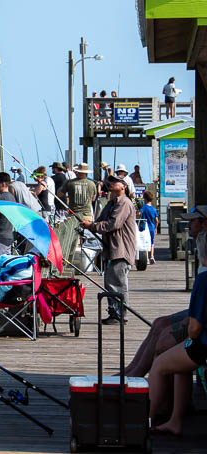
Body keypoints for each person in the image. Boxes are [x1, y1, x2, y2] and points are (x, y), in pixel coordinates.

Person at [125, 206, 207, 377]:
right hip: (196, 312)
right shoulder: (199, 242)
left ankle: (140, 380)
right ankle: (130, 372)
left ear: (204, 223)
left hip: (199, 318)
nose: (188, 224)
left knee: (164, 343)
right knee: (159, 323)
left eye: (193, 220)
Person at [149, 227, 207, 435]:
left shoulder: (203, 280)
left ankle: (146, 418)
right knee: (180, 366)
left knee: (159, 364)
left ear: (202, 256)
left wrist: (189, 337)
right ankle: (175, 421)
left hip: (204, 345)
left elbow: (194, 329)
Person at [81, 175, 136, 324]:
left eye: (115, 182)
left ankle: (120, 315)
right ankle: (114, 312)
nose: (111, 184)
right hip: (112, 250)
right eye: (110, 182)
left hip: (121, 250)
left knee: (118, 284)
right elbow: (101, 220)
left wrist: (92, 226)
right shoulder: (112, 202)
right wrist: (89, 224)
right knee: (110, 282)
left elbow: (113, 224)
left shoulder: (124, 202)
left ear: (123, 186)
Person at [139, 191, 159, 263]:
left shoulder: (144, 208)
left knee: (145, 242)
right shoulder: (153, 209)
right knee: (152, 243)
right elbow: (156, 220)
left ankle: (146, 258)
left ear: (145, 199)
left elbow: (139, 213)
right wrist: (156, 228)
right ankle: (152, 256)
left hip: (145, 228)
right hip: (152, 227)